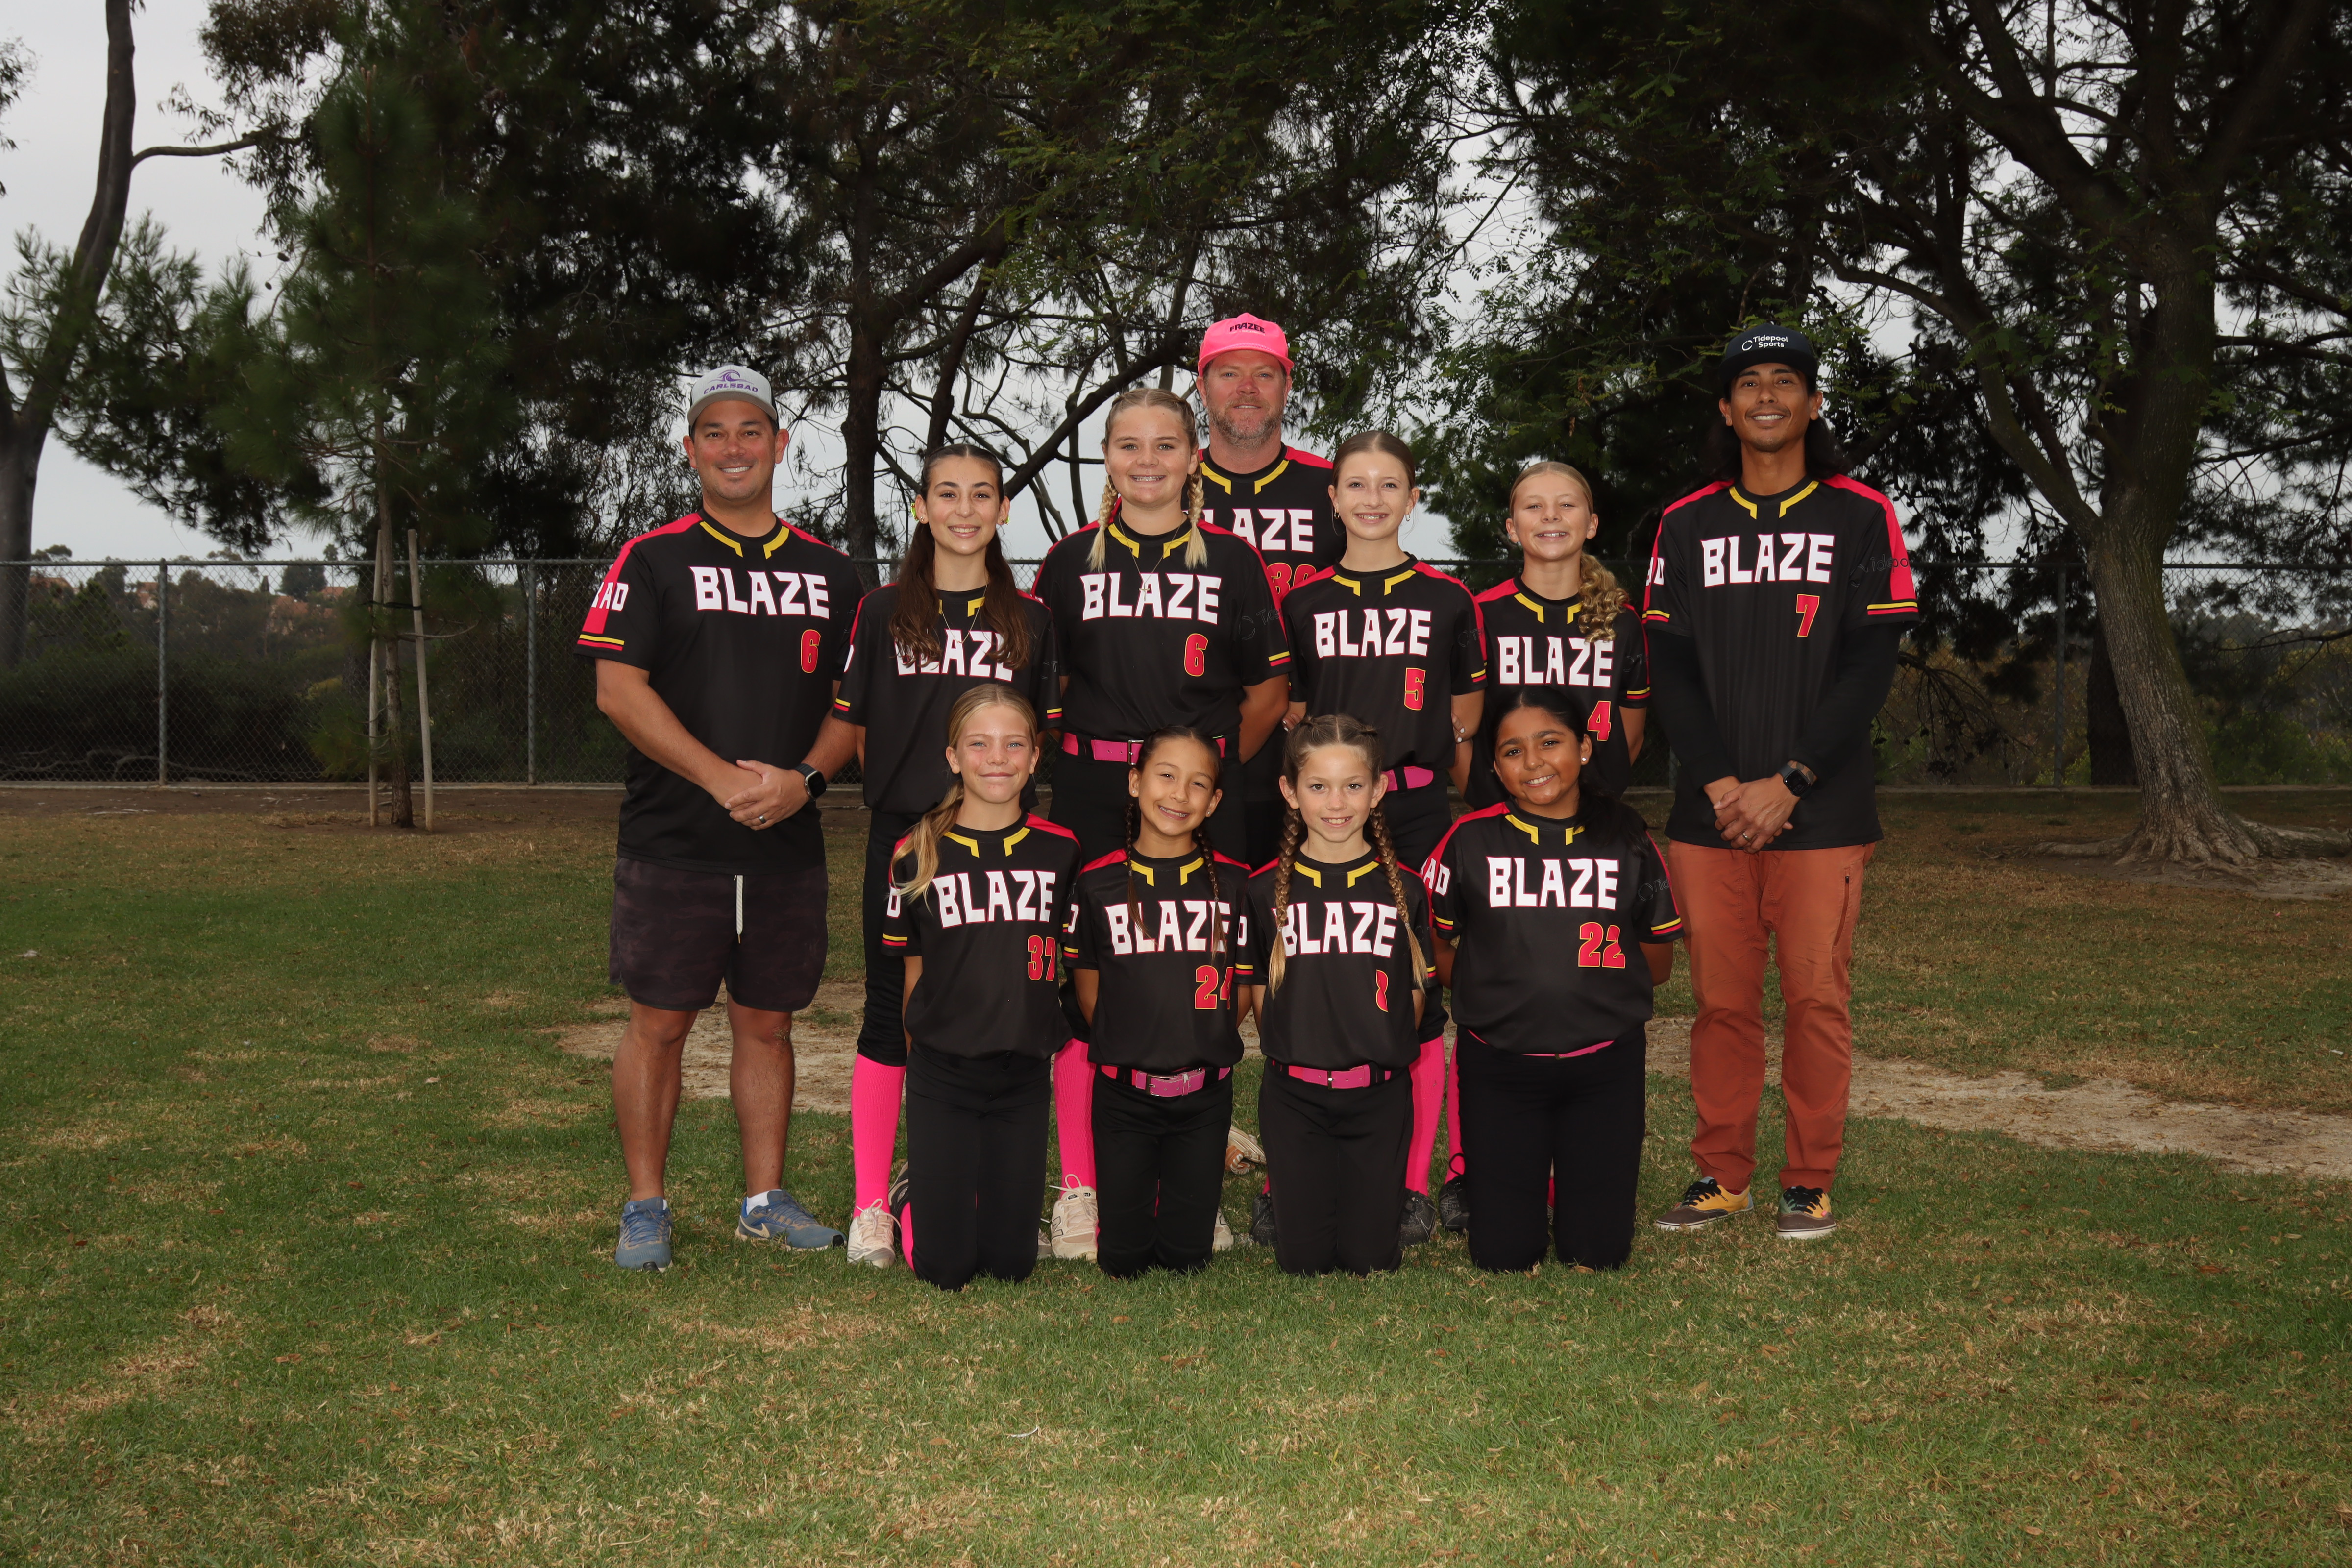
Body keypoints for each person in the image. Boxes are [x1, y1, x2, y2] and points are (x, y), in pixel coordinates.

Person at [576, 365, 864, 1271]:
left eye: (751, 431)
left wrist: (804, 782)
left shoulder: (831, 572)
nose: (734, 447)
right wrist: (719, 780)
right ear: (690, 448)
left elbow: (854, 704)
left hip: (786, 843)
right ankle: (646, 1206)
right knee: (659, 1024)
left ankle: (763, 1200)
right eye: (715, 432)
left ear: (781, 445)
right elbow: (618, 690)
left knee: (768, 1025)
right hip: (675, 841)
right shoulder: (652, 559)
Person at [1642, 323, 1918, 1242]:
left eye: (1785, 380)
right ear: (1727, 410)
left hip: (1822, 807)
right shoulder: (1686, 523)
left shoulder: (1860, 514)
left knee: (1815, 1000)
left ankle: (1809, 1179)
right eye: (1750, 382)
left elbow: (1869, 667)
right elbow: (1671, 667)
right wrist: (1724, 785)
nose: (1767, 395)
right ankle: (1723, 1175)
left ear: (1813, 403)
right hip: (1711, 812)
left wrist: (1791, 779)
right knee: (1721, 1005)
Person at [1032, 387, 1289, 1259]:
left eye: (1166, 445)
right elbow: (1049, 687)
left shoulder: (1233, 560)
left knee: (1197, 974)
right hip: (1094, 791)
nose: (1148, 461)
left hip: (1193, 797)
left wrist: (1200, 782)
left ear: (1192, 458)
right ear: (1108, 457)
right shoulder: (1070, 561)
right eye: (1129, 445)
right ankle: (1082, 1184)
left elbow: (1268, 688)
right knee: (1086, 982)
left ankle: (1192, 1176)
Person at [833, 445, 1060, 1268]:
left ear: (1004, 510)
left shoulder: (1031, 619)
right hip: (911, 841)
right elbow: (862, 729)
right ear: (922, 509)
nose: (965, 510)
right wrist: (919, 813)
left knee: (1003, 1009)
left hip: (1004, 845)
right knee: (889, 1010)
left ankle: (1000, 1185)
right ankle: (871, 1203)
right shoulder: (882, 610)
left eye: (983, 495)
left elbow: (1039, 734)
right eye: (948, 495)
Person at [1276, 429, 1482, 1246]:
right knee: (1322, 982)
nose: (1372, 499)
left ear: (1412, 497)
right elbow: (1295, 715)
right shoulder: (1303, 603)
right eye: (1356, 485)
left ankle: (1416, 1183)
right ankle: (1307, 1173)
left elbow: (1464, 718)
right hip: (1331, 811)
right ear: (1332, 499)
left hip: (1418, 806)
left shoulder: (1448, 598)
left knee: (1419, 990)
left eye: (1389, 485)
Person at [1444, 459, 1649, 1234]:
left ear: (1592, 523)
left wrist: (1594, 802)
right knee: (1503, 983)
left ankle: (1580, 1153)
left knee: (1577, 980)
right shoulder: (1483, 612)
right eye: (1534, 506)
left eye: (1568, 505)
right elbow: (1464, 727)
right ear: (1511, 527)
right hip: (1504, 821)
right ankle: (1477, 1166)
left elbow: (1629, 729)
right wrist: (1487, 802)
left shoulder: (1620, 620)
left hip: (1589, 825)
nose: (1551, 517)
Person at [1425, 689, 1683, 1273]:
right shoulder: (1469, 840)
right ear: (1495, 767)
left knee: (1598, 1253)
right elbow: (1437, 946)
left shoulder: (1627, 838)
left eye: (1550, 742)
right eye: (1513, 750)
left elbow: (1657, 960)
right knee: (1503, 1255)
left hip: (1604, 1065)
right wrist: (1499, 987)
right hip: (1501, 1065)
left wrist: (1588, 988)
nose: (1534, 762)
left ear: (1584, 747)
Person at [882, 686, 1081, 1290]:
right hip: (943, 1074)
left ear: (1035, 756)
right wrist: (920, 1072)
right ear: (952, 757)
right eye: (979, 744)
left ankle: (971, 1198)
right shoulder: (916, 851)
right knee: (946, 1270)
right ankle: (910, 1194)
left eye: (1014, 744)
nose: (997, 757)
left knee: (1010, 1265)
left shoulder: (1061, 849)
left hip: (1022, 1077)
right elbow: (913, 975)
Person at [1061, 727, 1254, 1278]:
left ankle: (1200, 1191)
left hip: (1205, 1094)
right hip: (1125, 1095)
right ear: (1135, 781)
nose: (1179, 794)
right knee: (1123, 1260)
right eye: (1166, 775)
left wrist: (1196, 1038)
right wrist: (1139, 1044)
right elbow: (1090, 990)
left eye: (1198, 784)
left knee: (1186, 1258)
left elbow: (1242, 990)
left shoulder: (1236, 885)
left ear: (1214, 801)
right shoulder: (1097, 882)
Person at [1244, 714, 1431, 1277]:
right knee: (1304, 1261)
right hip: (1295, 1099)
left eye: (1353, 785)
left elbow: (1415, 1002)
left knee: (1370, 1260)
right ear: (1290, 791)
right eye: (1318, 786)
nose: (1336, 803)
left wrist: (1376, 1051)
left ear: (1378, 789)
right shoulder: (1262, 890)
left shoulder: (1406, 890)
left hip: (1377, 1097)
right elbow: (1263, 1003)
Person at [1192, 313, 1346, 868]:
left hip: (1316, 748)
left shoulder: (1333, 488)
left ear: (1287, 384)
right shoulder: (1165, 487)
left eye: (1264, 373)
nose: (1247, 388)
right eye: (1229, 373)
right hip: (1198, 742)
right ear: (1202, 385)